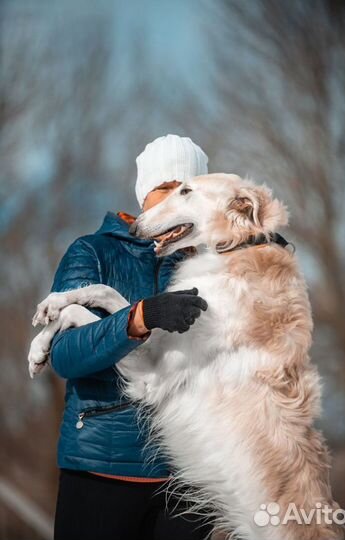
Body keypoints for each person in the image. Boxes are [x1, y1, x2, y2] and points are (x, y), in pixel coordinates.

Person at [51, 134, 212, 540]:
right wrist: (138, 318)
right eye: (165, 189)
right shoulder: (93, 252)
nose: (176, 200)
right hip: (103, 468)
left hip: (190, 475)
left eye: (187, 191)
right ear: (144, 192)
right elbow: (66, 355)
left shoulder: (214, 263)